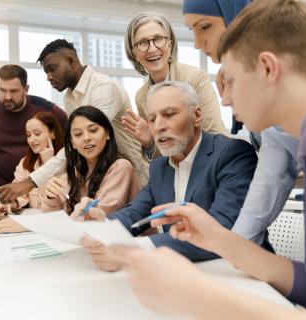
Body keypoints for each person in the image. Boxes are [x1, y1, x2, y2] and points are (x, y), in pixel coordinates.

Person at [111, 1, 306, 318]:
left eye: (228, 79)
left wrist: (208, 300)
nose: (225, 99)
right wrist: (219, 240)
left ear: (268, 68)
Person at [182, 0, 306, 245]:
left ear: (268, 68)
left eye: (204, 27)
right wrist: (233, 247)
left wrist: (233, 246)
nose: (197, 43)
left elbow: (275, 168)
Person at [79, 81, 257, 270]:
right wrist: (102, 225)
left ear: (196, 116)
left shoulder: (232, 154)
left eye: (169, 114)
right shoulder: (159, 167)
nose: (158, 126)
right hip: (184, 273)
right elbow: (134, 213)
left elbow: (220, 231)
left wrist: (132, 250)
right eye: (152, 119)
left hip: (241, 274)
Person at [0, 40, 149, 203]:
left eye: (52, 69)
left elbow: (82, 143)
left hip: (133, 174)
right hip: (102, 174)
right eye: (46, 72)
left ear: (71, 61)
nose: (48, 77)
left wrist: (30, 182)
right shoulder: (69, 98)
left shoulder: (103, 87)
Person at [0, 106, 140, 234]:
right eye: (78, 134)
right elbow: (60, 213)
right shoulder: (78, 169)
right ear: (72, 143)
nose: (86, 138)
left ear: (107, 133)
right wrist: (51, 197)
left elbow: (94, 218)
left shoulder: (120, 167)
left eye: (93, 130)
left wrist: (31, 225)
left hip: (127, 249)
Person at [121, 11, 227, 159]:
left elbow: (215, 135)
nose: (152, 49)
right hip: (175, 174)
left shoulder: (195, 78)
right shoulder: (141, 97)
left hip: (212, 164)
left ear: (169, 44)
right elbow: (160, 157)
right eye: (143, 43)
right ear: (135, 54)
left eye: (158, 39)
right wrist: (149, 142)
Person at [0, 64, 68, 187]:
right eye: (2, 90)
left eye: (14, 91)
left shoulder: (49, 111)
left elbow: (74, 141)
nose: (7, 97)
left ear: (26, 89)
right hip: (2, 192)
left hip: (40, 190)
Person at [0, 111, 64, 218]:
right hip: (33, 221)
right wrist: (12, 204)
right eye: (28, 135)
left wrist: (49, 162)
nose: (31, 140)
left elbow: (60, 202)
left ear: (52, 133)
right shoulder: (25, 163)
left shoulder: (66, 161)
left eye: (37, 134)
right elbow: (20, 194)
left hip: (56, 220)